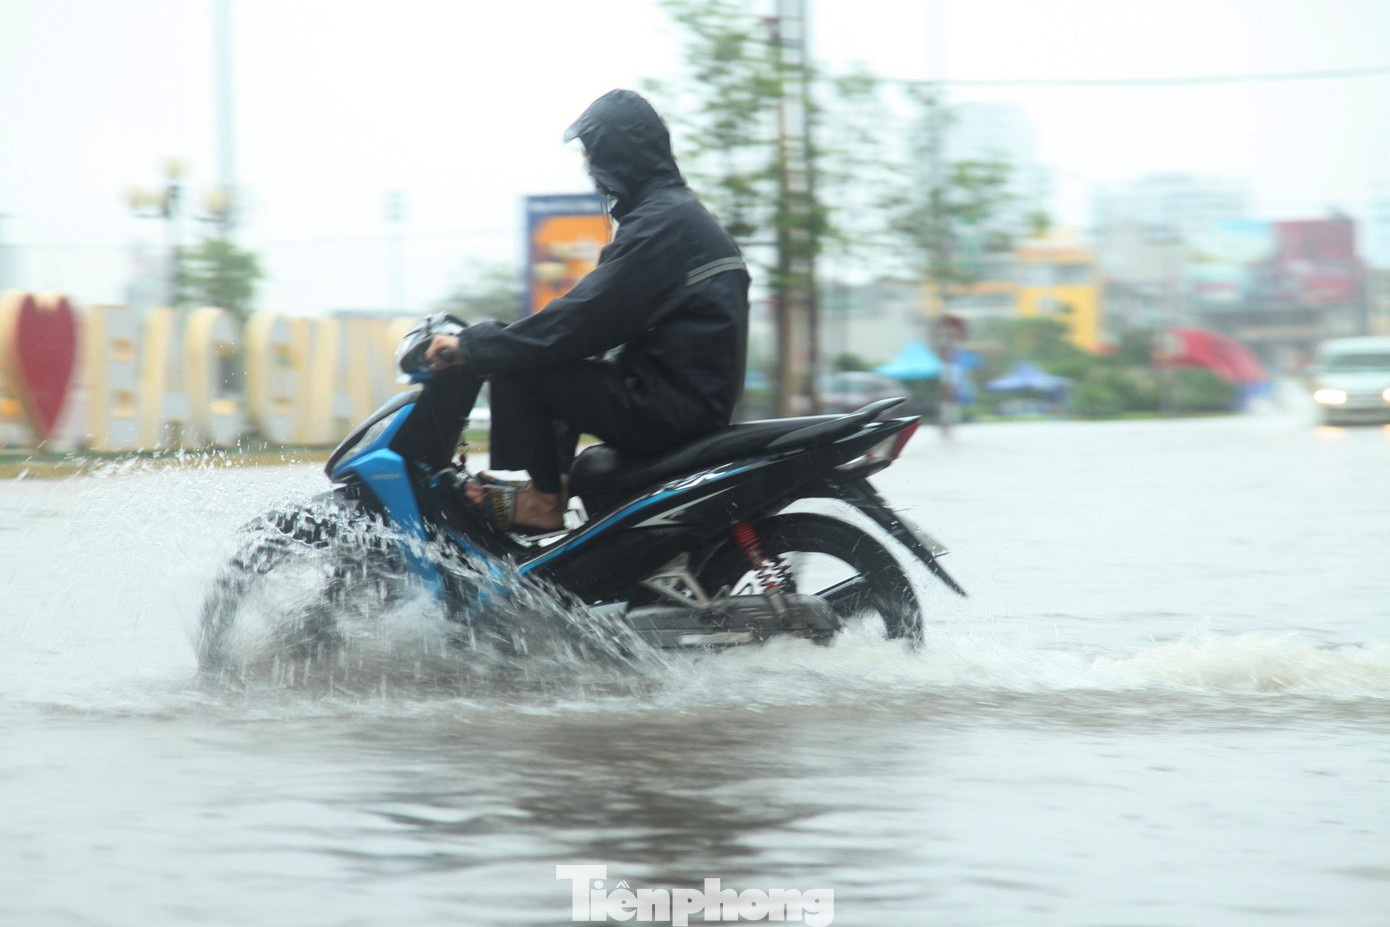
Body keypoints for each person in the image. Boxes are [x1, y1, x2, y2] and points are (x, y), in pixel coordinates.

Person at [425, 89, 750, 533]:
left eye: (593, 154)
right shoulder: (671, 216)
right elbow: (589, 322)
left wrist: (473, 345)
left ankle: (542, 501)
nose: (589, 168)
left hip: (667, 407)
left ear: (619, 155)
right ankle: (548, 488)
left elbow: (579, 320)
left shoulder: (663, 225)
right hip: (680, 399)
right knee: (547, 356)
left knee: (520, 362)